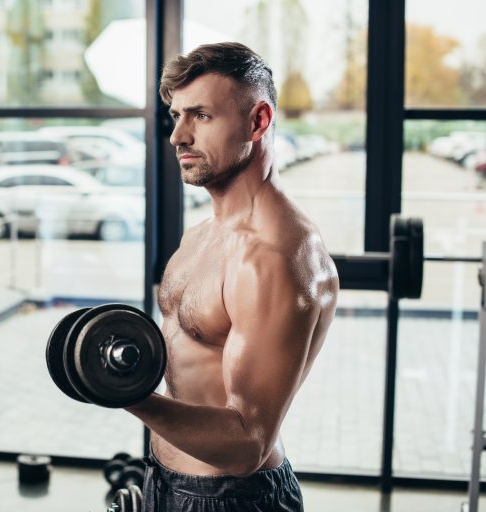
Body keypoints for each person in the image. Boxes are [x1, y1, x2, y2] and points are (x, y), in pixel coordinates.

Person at [124, 42, 339, 511]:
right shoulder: (204, 234)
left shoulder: (276, 256)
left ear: (257, 121)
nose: (178, 136)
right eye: (176, 115)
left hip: (231, 498)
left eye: (200, 115)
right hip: (163, 479)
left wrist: (126, 395)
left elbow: (248, 445)